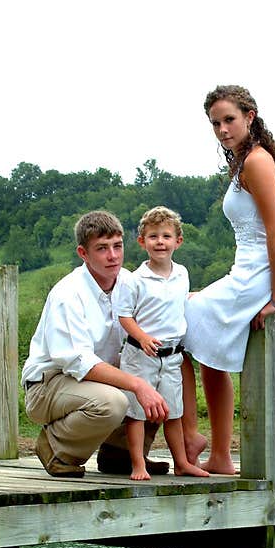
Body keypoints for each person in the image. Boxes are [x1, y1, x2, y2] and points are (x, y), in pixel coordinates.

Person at [182, 85, 275, 474]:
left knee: (180, 322)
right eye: (215, 123)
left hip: (266, 276)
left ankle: (194, 437)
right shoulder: (243, 161)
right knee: (195, 332)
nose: (222, 129)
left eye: (229, 119)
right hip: (249, 272)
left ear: (249, 116)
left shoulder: (257, 162)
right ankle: (217, 452)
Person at [21, 210, 169, 477]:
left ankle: (120, 455)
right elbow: (79, 362)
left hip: (96, 380)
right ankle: (56, 448)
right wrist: (137, 384)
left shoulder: (129, 281)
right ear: (83, 253)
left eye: (117, 246)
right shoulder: (68, 294)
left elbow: (164, 307)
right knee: (113, 402)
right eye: (102, 249)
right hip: (49, 384)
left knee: (162, 373)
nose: (113, 256)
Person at [114, 206, 209, 481]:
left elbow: (179, 304)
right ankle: (138, 465)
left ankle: (182, 462)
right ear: (142, 241)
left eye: (166, 236)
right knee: (137, 413)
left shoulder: (182, 274)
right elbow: (124, 315)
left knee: (173, 412)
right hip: (140, 354)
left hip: (172, 355)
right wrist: (142, 337)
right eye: (153, 236)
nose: (160, 242)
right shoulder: (134, 280)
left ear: (178, 241)